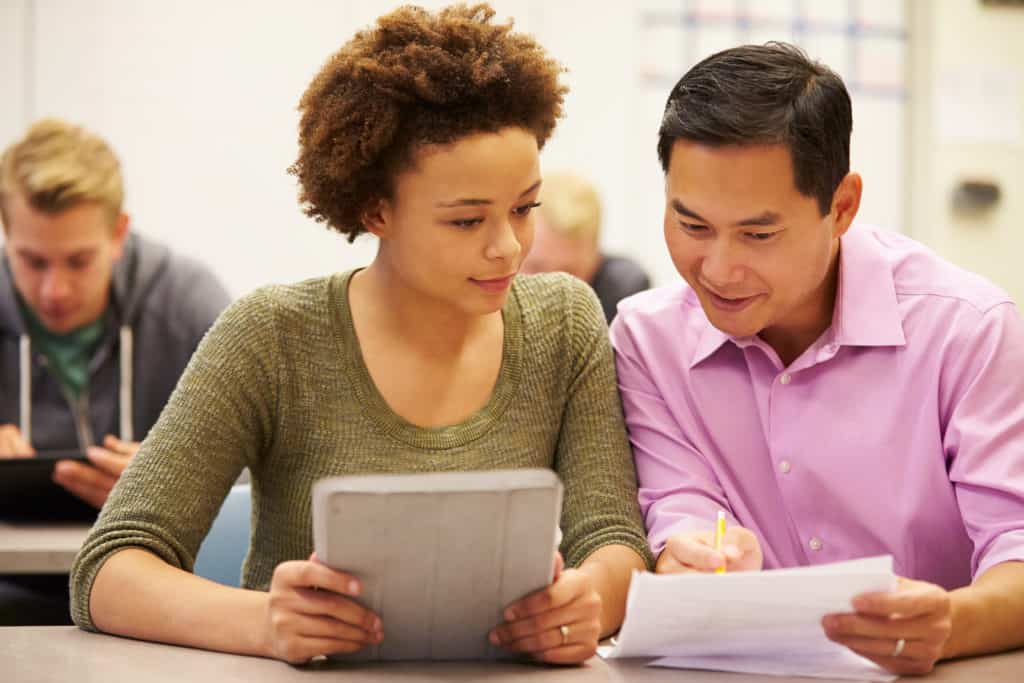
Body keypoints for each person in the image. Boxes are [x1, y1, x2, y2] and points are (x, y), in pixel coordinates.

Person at [70, 3, 652, 665]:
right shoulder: (272, 336)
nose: (508, 248)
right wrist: (265, 622)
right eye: (466, 221)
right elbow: (108, 569)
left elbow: (614, 538)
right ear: (377, 210)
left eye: (524, 209)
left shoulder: (565, 322)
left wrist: (590, 599)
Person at [610, 42, 1024, 676]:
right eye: (692, 226)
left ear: (843, 207)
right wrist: (686, 554)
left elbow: (1015, 547)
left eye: (758, 234)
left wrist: (952, 622)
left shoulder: (967, 330)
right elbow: (679, 505)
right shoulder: (647, 339)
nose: (717, 270)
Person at [0, 118, 230, 624]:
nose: (53, 291)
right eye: (32, 262)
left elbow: (268, 477)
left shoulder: (191, 305)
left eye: (78, 261)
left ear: (118, 234)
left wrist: (172, 485)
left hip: (161, 588)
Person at [521, 171, 649, 322]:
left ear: (596, 258)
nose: (550, 290)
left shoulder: (625, 296)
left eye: (569, 273)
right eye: (536, 267)